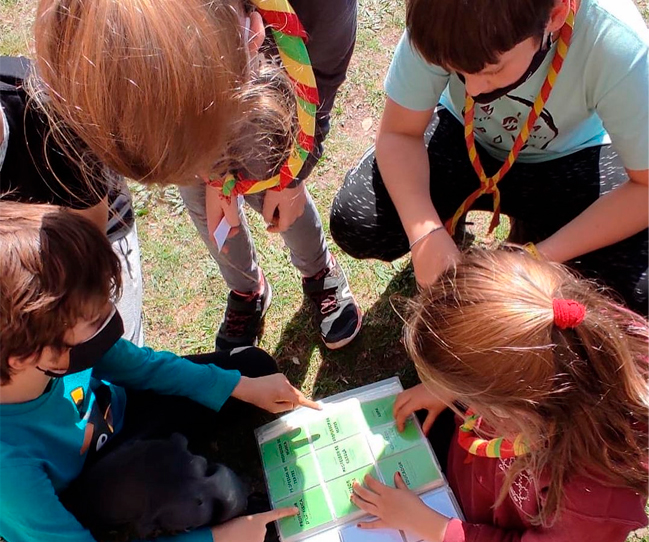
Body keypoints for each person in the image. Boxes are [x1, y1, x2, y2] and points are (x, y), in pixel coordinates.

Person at [33, 0, 362, 351]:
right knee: (205, 208)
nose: (206, 172)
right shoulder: (94, 30)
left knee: (269, 173)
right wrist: (212, 178)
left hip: (268, 74)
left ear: (252, 35)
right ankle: (246, 288)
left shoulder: (322, 11)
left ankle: (318, 270)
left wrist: (292, 177)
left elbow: (318, 86)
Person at [0, 200, 321, 542]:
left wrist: (238, 385)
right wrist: (218, 539)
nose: (111, 316)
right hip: (85, 493)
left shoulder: (57, 344)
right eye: (94, 320)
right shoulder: (9, 472)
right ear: (25, 355)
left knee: (255, 369)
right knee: (221, 494)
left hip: (121, 416)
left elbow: (142, 368)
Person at [330, 0, 649, 316]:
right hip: (461, 134)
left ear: (554, 14)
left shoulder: (615, 40)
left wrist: (539, 257)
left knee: (640, 288)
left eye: (491, 69)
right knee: (356, 219)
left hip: (570, 156)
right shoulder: (442, 15)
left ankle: (535, 232)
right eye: (454, 68)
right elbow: (399, 134)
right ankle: (451, 229)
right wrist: (425, 232)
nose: (473, 88)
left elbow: (645, 188)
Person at [350, 249, 649, 542]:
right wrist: (447, 388)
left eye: (466, 393)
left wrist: (431, 526)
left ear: (511, 405)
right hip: (480, 481)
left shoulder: (594, 502)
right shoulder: (565, 326)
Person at [0, 55, 144, 346]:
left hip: (93, 235)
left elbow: (89, 238)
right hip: (15, 259)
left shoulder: (48, 106)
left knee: (112, 348)